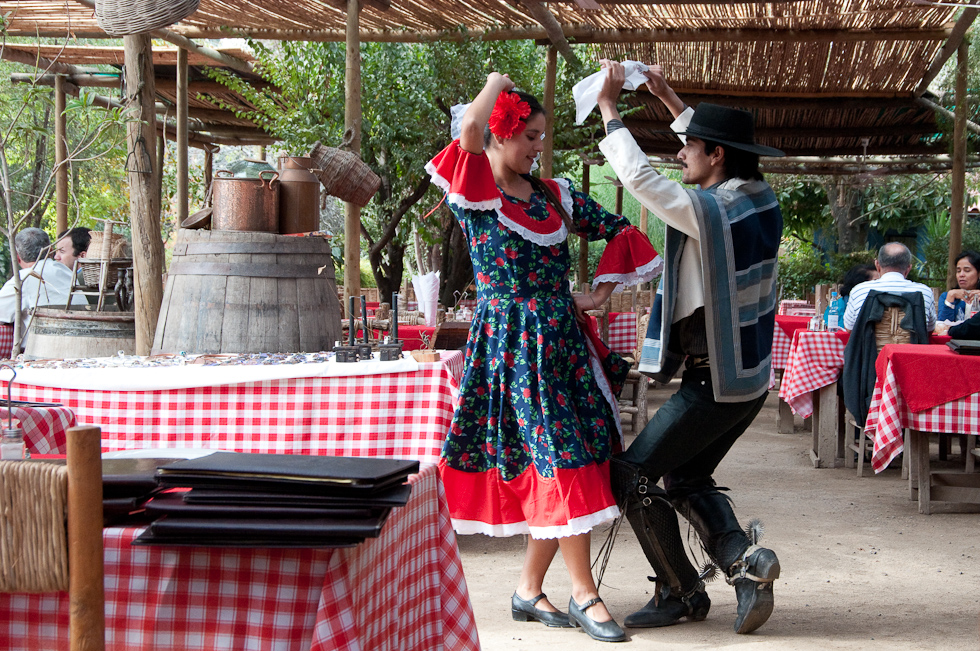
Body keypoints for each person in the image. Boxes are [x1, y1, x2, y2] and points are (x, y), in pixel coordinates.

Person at [425, 72, 662, 643]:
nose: (537, 147)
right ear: (503, 133)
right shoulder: (478, 192)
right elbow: (470, 129)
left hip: (563, 347)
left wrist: (597, 292)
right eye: (529, 135)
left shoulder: (554, 196)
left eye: (540, 137)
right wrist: (492, 82)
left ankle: (529, 590)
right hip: (512, 351)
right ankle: (585, 594)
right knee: (561, 462)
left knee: (570, 459)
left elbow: (621, 227)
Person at [595, 60, 784, 635]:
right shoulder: (754, 197)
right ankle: (743, 564)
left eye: (689, 148)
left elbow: (642, 183)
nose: (681, 156)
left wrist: (609, 109)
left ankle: (681, 593)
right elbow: (700, 151)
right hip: (744, 381)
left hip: (713, 382)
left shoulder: (715, 211)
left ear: (716, 155)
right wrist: (668, 97)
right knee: (683, 478)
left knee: (630, 475)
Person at [0, 227, 81, 339]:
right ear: (50, 251)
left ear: (18, 258)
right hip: (81, 342)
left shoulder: (24, 278)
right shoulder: (66, 272)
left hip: (45, 350)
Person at [842, 242, 936, 332]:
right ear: (908, 269)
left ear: (877, 265)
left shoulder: (859, 291)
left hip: (869, 348)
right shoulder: (925, 292)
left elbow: (850, 329)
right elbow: (927, 331)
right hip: (910, 349)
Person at [937, 250, 980, 322]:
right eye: (958, 271)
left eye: (967, 270)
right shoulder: (946, 296)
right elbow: (942, 327)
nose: (961, 275)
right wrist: (950, 299)